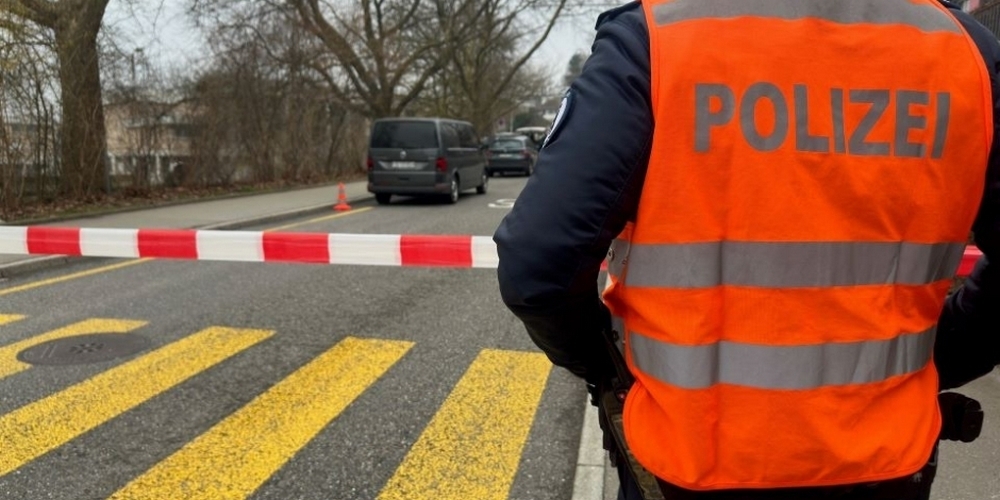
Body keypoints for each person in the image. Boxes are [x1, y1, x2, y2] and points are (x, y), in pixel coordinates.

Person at [493, 0, 1000, 499]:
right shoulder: (968, 53)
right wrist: (940, 355)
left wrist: (608, 369)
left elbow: (538, 264)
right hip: (887, 464)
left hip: (685, 465)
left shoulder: (658, 37)